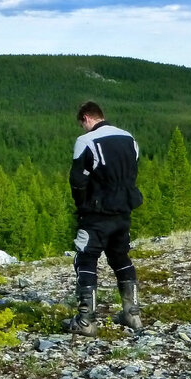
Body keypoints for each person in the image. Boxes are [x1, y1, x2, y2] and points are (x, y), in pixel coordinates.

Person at [63, 100, 144, 336]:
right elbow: (133, 172)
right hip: (123, 211)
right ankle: (132, 314)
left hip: (96, 214)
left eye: (82, 124)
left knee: (86, 259)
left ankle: (86, 320)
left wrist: (82, 206)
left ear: (86, 118)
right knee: (120, 258)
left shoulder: (86, 141)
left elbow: (78, 181)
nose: (82, 128)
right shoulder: (129, 138)